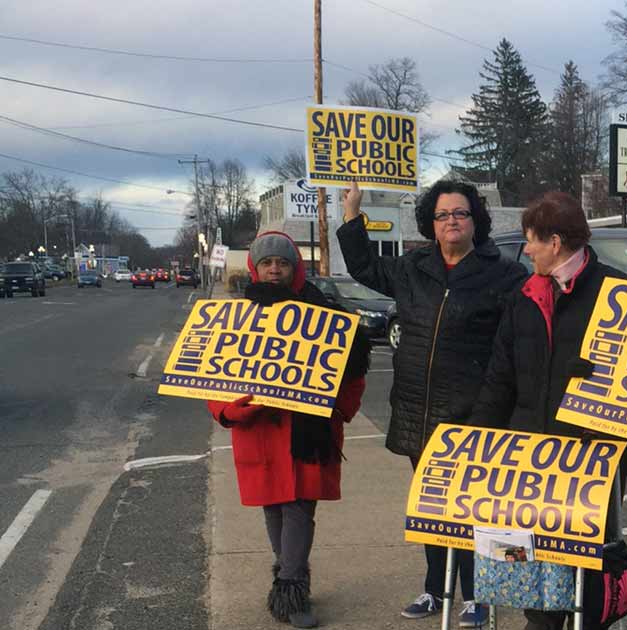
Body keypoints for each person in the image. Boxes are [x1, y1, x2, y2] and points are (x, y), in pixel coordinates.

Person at [336, 180, 527, 627]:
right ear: (432, 224)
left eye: (460, 213)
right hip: (417, 412)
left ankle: (478, 596)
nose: (452, 222)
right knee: (433, 509)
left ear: (475, 220)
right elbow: (364, 266)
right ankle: (435, 590)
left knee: (472, 512)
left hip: (472, 415)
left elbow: (519, 341)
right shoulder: (412, 267)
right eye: (443, 216)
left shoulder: (503, 274)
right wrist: (352, 213)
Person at [469, 192, 627, 630]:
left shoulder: (614, 293)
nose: (526, 250)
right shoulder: (524, 296)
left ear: (555, 241)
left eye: (531, 241)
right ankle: (539, 620)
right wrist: (475, 442)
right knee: (528, 560)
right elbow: (499, 378)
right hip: (529, 456)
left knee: (587, 567)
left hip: (586, 461)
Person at [207, 231, 370, 629]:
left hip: (306, 433)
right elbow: (214, 376)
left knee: (299, 507)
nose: (275, 269)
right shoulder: (235, 319)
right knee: (275, 509)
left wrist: (340, 410)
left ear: (295, 268)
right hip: (260, 430)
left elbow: (352, 373)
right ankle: (289, 576)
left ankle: (291, 589)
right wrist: (233, 410)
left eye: (283, 262)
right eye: (267, 263)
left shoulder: (325, 312)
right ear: (255, 268)